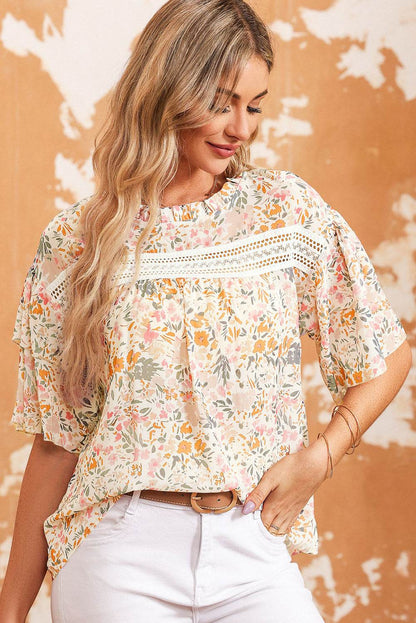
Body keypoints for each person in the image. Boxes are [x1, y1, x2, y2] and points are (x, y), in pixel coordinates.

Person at [0, 0, 411, 621]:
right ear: (168, 91)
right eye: (221, 102)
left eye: (255, 106)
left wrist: (321, 457)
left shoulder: (285, 213)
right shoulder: (79, 242)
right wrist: (11, 611)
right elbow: (58, 445)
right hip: (118, 553)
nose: (240, 128)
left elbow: (385, 354)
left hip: (252, 547)